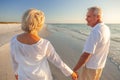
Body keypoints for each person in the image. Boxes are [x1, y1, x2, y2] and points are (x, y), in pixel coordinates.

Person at [10, 9, 78, 80]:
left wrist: (16, 73)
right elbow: (58, 62)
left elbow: (14, 61)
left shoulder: (13, 40)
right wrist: (71, 73)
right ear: (39, 24)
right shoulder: (44, 44)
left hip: (22, 77)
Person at [73, 6, 110, 80]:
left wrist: (74, 70)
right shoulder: (106, 28)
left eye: (88, 16)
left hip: (91, 68)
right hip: (99, 66)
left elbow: (86, 54)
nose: (86, 18)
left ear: (98, 17)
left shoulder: (95, 31)